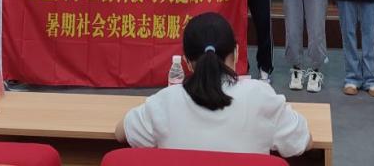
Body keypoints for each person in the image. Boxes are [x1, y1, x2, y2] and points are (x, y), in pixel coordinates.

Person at [116, 12, 311, 156]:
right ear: (236, 53)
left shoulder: (165, 101)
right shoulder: (261, 97)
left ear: (186, 61)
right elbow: (304, 140)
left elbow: (121, 132)